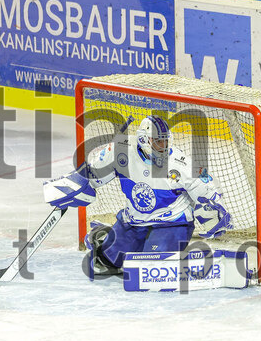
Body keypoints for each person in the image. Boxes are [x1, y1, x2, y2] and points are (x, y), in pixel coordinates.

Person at [43, 116, 234, 278]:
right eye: (158, 142)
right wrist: (73, 187)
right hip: (134, 221)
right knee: (106, 262)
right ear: (143, 140)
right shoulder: (120, 151)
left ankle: (162, 250)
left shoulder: (181, 164)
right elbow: (91, 176)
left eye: (166, 141)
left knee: (151, 270)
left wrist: (216, 213)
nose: (163, 146)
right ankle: (104, 236)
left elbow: (208, 191)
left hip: (172, 223)